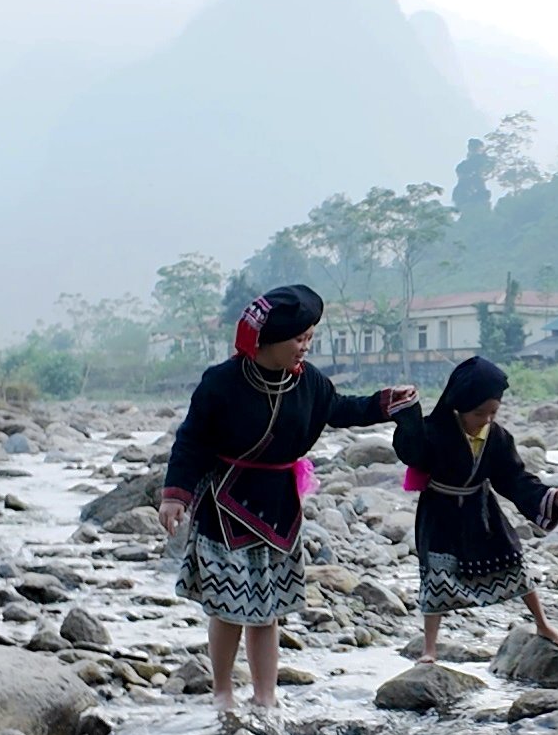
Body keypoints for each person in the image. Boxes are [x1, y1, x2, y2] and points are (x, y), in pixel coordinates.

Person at [158, 285, 415, 711]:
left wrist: (383, 404)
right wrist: (175, 495)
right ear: (267, 341)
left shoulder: (310, 382)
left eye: (310, 338)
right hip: (226, 502)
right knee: (226, 607)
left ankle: (265, 698)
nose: (305, 347)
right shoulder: (221, 383)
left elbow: (341, 409)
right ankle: (222, 691)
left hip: (279, 507)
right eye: (299, 339)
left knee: (266, 609)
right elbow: (191, 442)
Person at [394, 356, 558, 663]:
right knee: (436, 575)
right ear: (458, 407)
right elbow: (412, 452)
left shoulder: (499, 438)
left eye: (494, 411)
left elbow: (514, 478)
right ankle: (429, 649)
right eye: (480, 413)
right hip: (440, 511)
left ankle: (543, 624)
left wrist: (549, 498)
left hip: (481, 509)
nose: (488, 419)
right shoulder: (434, 432)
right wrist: (408, 414)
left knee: (514, 562)